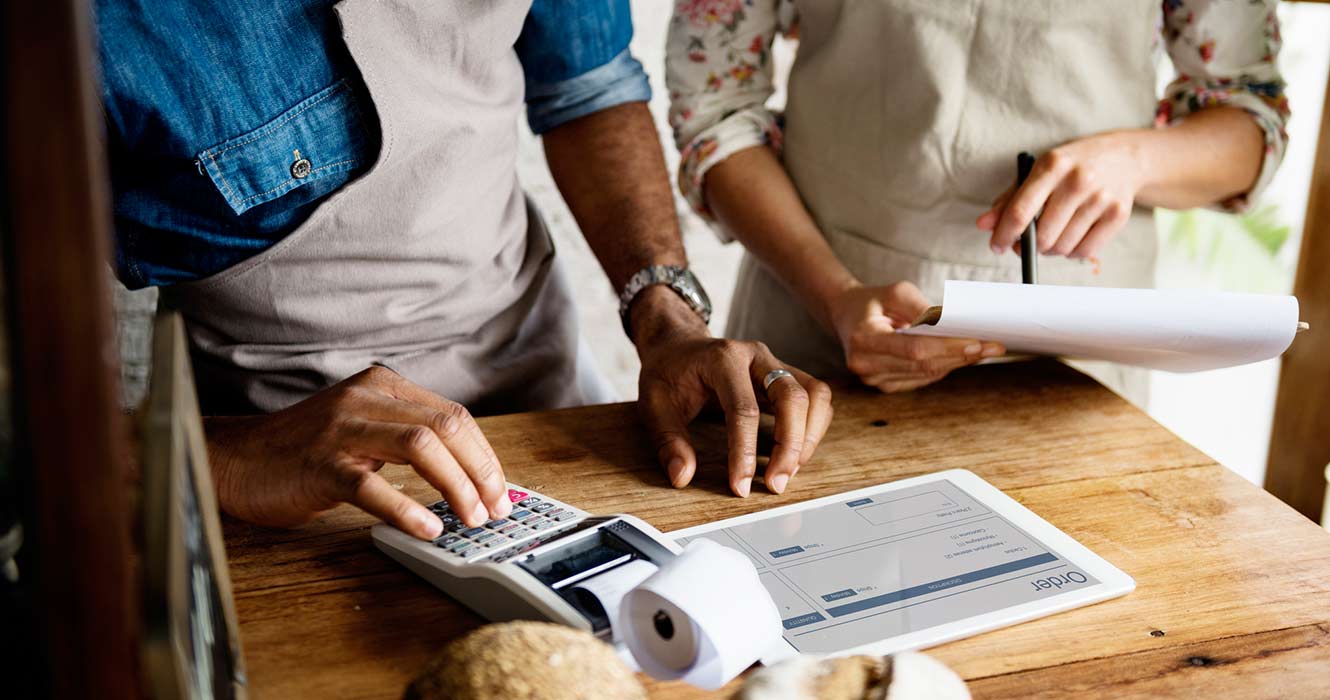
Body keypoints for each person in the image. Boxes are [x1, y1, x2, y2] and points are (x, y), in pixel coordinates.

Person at [96, 0, 833, 540]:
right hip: (291, 475)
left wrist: (666, 315)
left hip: (548, 402)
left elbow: (588, 88)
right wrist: (221, 456)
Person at [665, 0, 1288, 399]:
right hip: (814, 332)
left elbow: (1249, 120)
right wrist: (836, 298)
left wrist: (1135, 160)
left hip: (1074, 362)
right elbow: (715, 111)